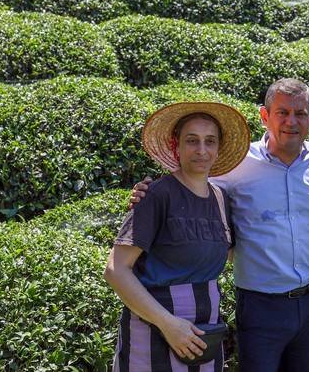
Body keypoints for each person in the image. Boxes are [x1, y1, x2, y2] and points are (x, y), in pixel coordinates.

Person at [130, 78, 309, 372]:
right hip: (259, 306)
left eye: (300, 113)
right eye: (282, 112)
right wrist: (150, 191)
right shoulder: (237, 164)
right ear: (265, 116)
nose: (291, 121)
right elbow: (192, 185)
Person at [104, 102, 251, 372]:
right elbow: (115, 270)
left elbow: (228, 254)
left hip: (204, 336)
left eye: (210, 141)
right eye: (192, 140)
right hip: (153, 333)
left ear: (218, 148)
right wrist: (168, 324)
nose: (202, 150)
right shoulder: (157, 195)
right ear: (177, 146)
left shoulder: (221, 199)